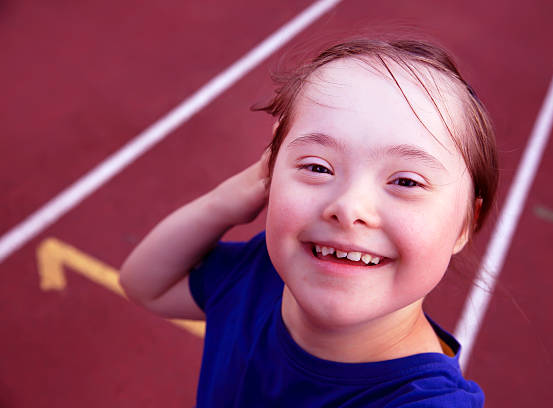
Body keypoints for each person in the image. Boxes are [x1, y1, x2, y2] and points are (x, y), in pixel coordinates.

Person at [119, 36, 498, 407]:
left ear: (466, 222)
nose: (349, 207)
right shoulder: (259, 274)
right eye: (318, 167)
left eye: (406, 181)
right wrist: (232, 197)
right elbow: (146, 285)